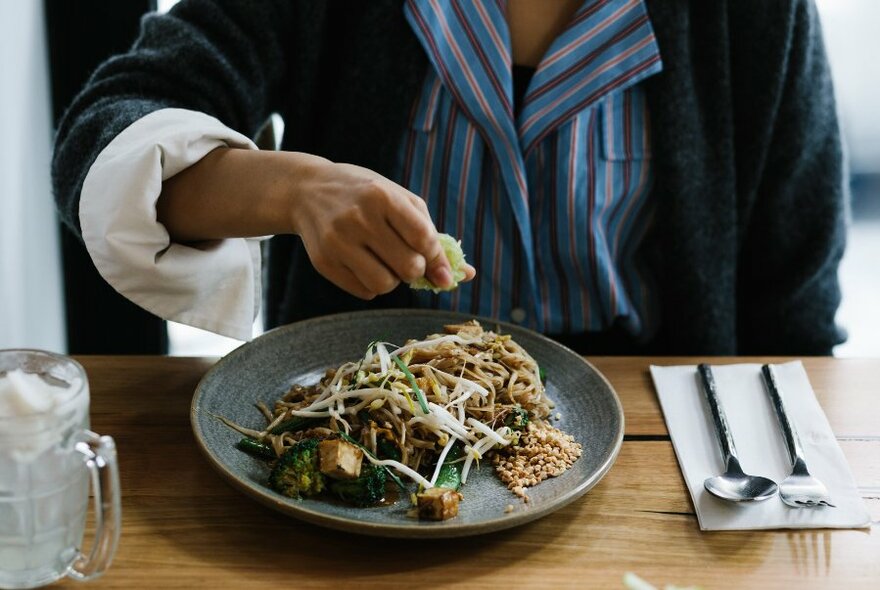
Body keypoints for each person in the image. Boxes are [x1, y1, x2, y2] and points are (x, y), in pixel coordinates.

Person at [52, 0, 846, 355]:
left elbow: (795, 325)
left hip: (654, 455)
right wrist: (293, 189)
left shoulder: (756, 16)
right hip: (363, 439)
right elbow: (106, 128)